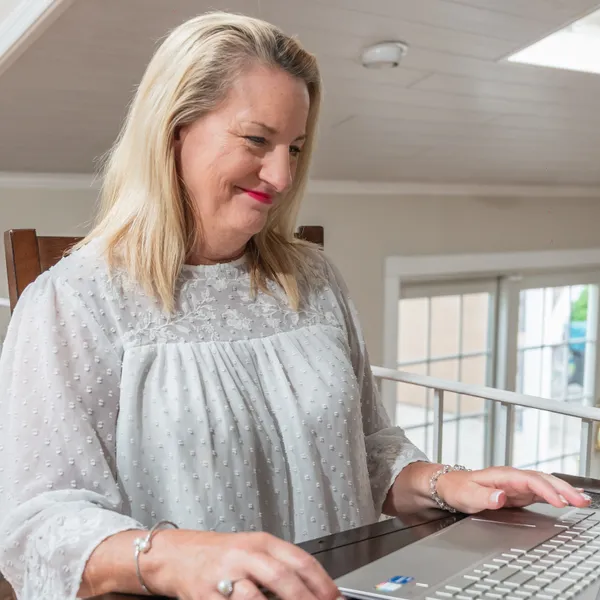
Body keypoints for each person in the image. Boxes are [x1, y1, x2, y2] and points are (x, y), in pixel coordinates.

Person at [0, 11, 591, 600]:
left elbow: (367, 450)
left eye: (295, 147)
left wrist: (450, 484)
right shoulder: (73, 301)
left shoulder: (313, 277)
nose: (282, 176)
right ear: (174, 129)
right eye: (257, 140)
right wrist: (177, 555)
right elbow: (37, 525)